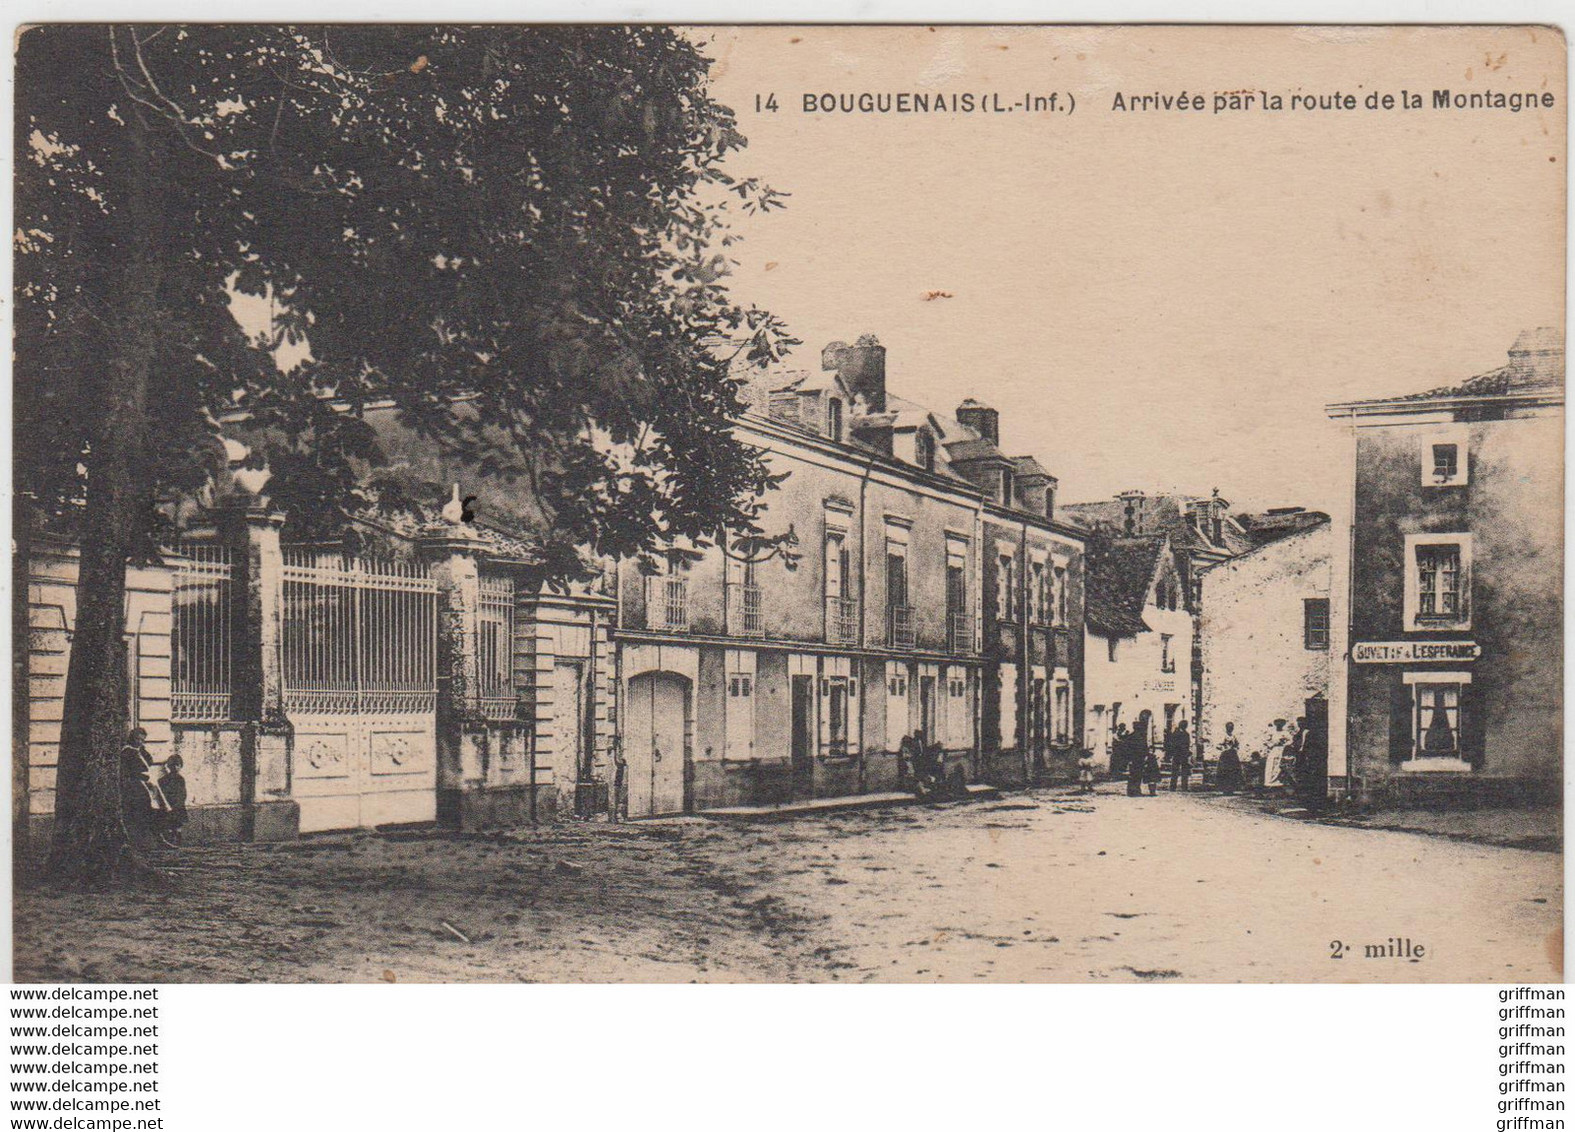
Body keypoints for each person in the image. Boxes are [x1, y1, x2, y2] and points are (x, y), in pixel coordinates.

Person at [118, 727, 156, 842]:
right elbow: (128, 770)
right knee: (138, 812)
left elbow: (150, 761)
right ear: (132, 738)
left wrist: (142, 750)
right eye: (137, 739)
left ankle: (155, 837)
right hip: (133, 786)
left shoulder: (140, 751)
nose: (140, 742)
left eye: (142, 740)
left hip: (144, 784)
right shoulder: (127, 751)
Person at [156, 754, 188, 847]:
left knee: (178, 825)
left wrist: (179, 802)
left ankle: (178, 841)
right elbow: (162, 794)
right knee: (169, 824)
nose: (175, 767)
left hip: (178, 805)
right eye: (172, 765)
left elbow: (183, 793)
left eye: (177, 765)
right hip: (169, 805)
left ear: (181, 766)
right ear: (169, 766)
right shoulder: (163, 780)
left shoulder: (180, 779)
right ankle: (170, 841)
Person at [1215, 722, 1244, 795]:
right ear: (1226, 728)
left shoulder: (1233, 736)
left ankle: (1231, 789)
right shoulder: (1223, 736)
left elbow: (1237, 744)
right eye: (1229, 727)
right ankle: (1225, 789)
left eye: (1232, 727)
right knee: (1225, 772)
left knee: (1233, 772)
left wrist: (1235, 748)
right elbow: (1218, 745)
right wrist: (1224, 748)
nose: (1230, 729)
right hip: (1225, 756)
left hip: (1233, 755)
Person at [1263, 719, 1291, 791]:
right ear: (1275, 724)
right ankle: (1269, 782)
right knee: (1271, 764)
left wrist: (1284, 744)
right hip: (1274, 749)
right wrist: (1271, 745)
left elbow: (1290, 740)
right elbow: (1266, 740)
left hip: (1281, 750)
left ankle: (1278, 781)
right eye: (1277, 723)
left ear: (1283, 724)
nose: (1279, 725)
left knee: (1279, 765)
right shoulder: (1272, 732)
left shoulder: (1285, 733)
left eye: (1281, 723)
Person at [1167, 721, 1192, 792]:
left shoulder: (1186, 734)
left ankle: (1184, 787)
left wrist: (1187, 752)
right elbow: (1172, 744)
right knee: (1175, 771)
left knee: (1185, 771)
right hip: (1177, 754)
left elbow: (1187, 744)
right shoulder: (1175, 733)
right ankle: (1172, 787)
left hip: (1184, 755)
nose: (1186, 726)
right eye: (1185, 725)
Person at [1120, 726, 1143, 797]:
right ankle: (1136, 791)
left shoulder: (1130, 737)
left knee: (1132, 775)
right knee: (1137, 775)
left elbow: (1126, 749)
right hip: (1138, 760)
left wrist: (1128, 759)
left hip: (1133, 760)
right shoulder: (1140, 737)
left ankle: (1131, 791)